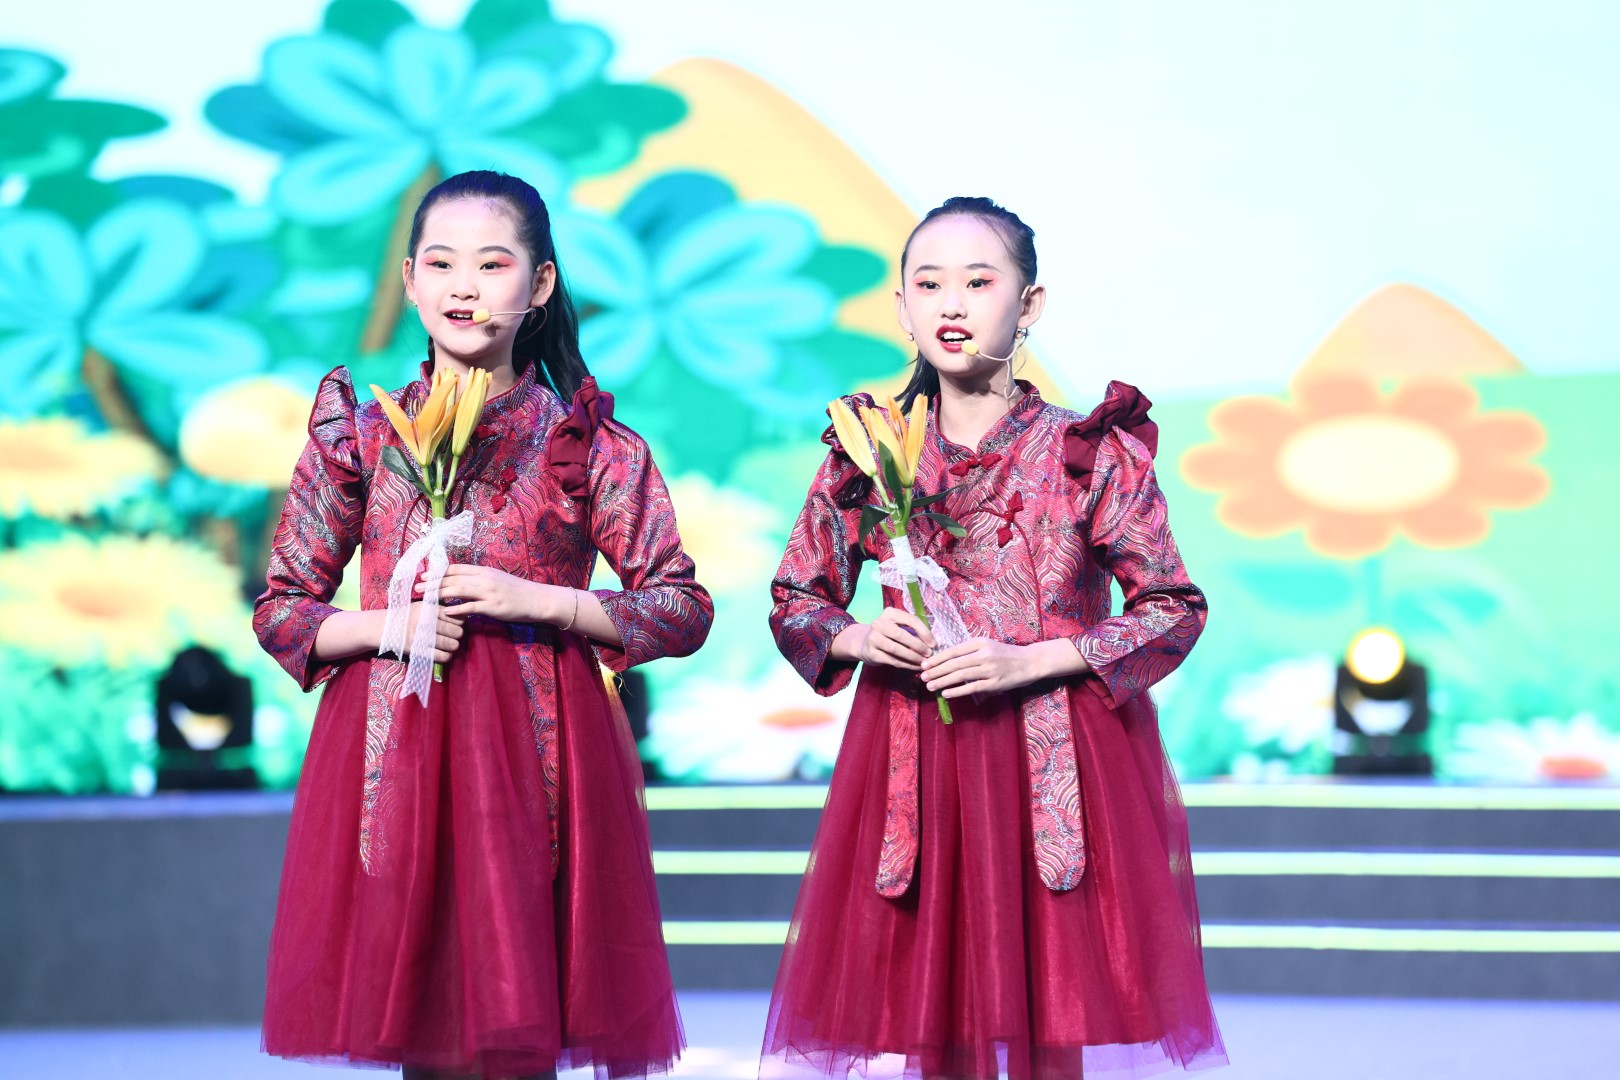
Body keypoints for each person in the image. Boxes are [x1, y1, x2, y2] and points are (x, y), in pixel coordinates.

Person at [254, 170, 711, 1080]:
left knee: (516, 1026)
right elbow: (282, 609)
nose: (464, 287)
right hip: (394, 756)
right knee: (419, 1027)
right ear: (410, 282)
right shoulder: (362, 437)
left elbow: (680, 605)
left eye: (493, 264)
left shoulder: (588, 443)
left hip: (539, 765)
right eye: (441, 264)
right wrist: (388, 628)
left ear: (539, 285)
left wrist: (538, 601)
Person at [763, 197, 1227, 1079]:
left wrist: (1034, 660)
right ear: (902, 308)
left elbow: (1173, 606)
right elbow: (796, 599)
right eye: (929, 284)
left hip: (1054, 755)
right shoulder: (868, 453)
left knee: (1050, 1017)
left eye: (979, 283)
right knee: (935, 1023)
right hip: (915, 755)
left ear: (1030, 304)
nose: (952, 305)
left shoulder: (1087, 452)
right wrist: (862, 638)